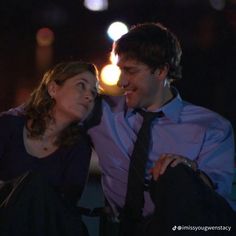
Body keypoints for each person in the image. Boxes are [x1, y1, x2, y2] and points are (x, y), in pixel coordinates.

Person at [87, 22, 236, 235]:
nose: (121, 82)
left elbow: (214, 199)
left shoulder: (212, 127)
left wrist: (188, 170)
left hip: (178, 227)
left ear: (160, 71)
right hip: (118, 228)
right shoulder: (103, 112)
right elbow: (44, 110)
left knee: (175, 171)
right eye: (120, 70)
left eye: (130, 71)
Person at [0, 61, 99, 236]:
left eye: (93, 92)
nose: (89, 96)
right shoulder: (8, 126)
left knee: (36, 186)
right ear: (53, 89)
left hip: (49, 227)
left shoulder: (79, 146)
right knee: (32, 183)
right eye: (81, 86)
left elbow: (66, 203)